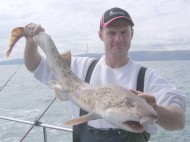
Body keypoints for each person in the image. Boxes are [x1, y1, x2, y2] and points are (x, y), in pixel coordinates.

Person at [23, 7, 186, 142]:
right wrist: (31, 42)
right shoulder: (80, 66)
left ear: (132, 34)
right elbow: (34, 65)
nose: (118, 38)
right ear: (101, 35)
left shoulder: (147, 77)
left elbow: (178, 122)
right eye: (111, 33)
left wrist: (156, 109)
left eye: (124, 32)